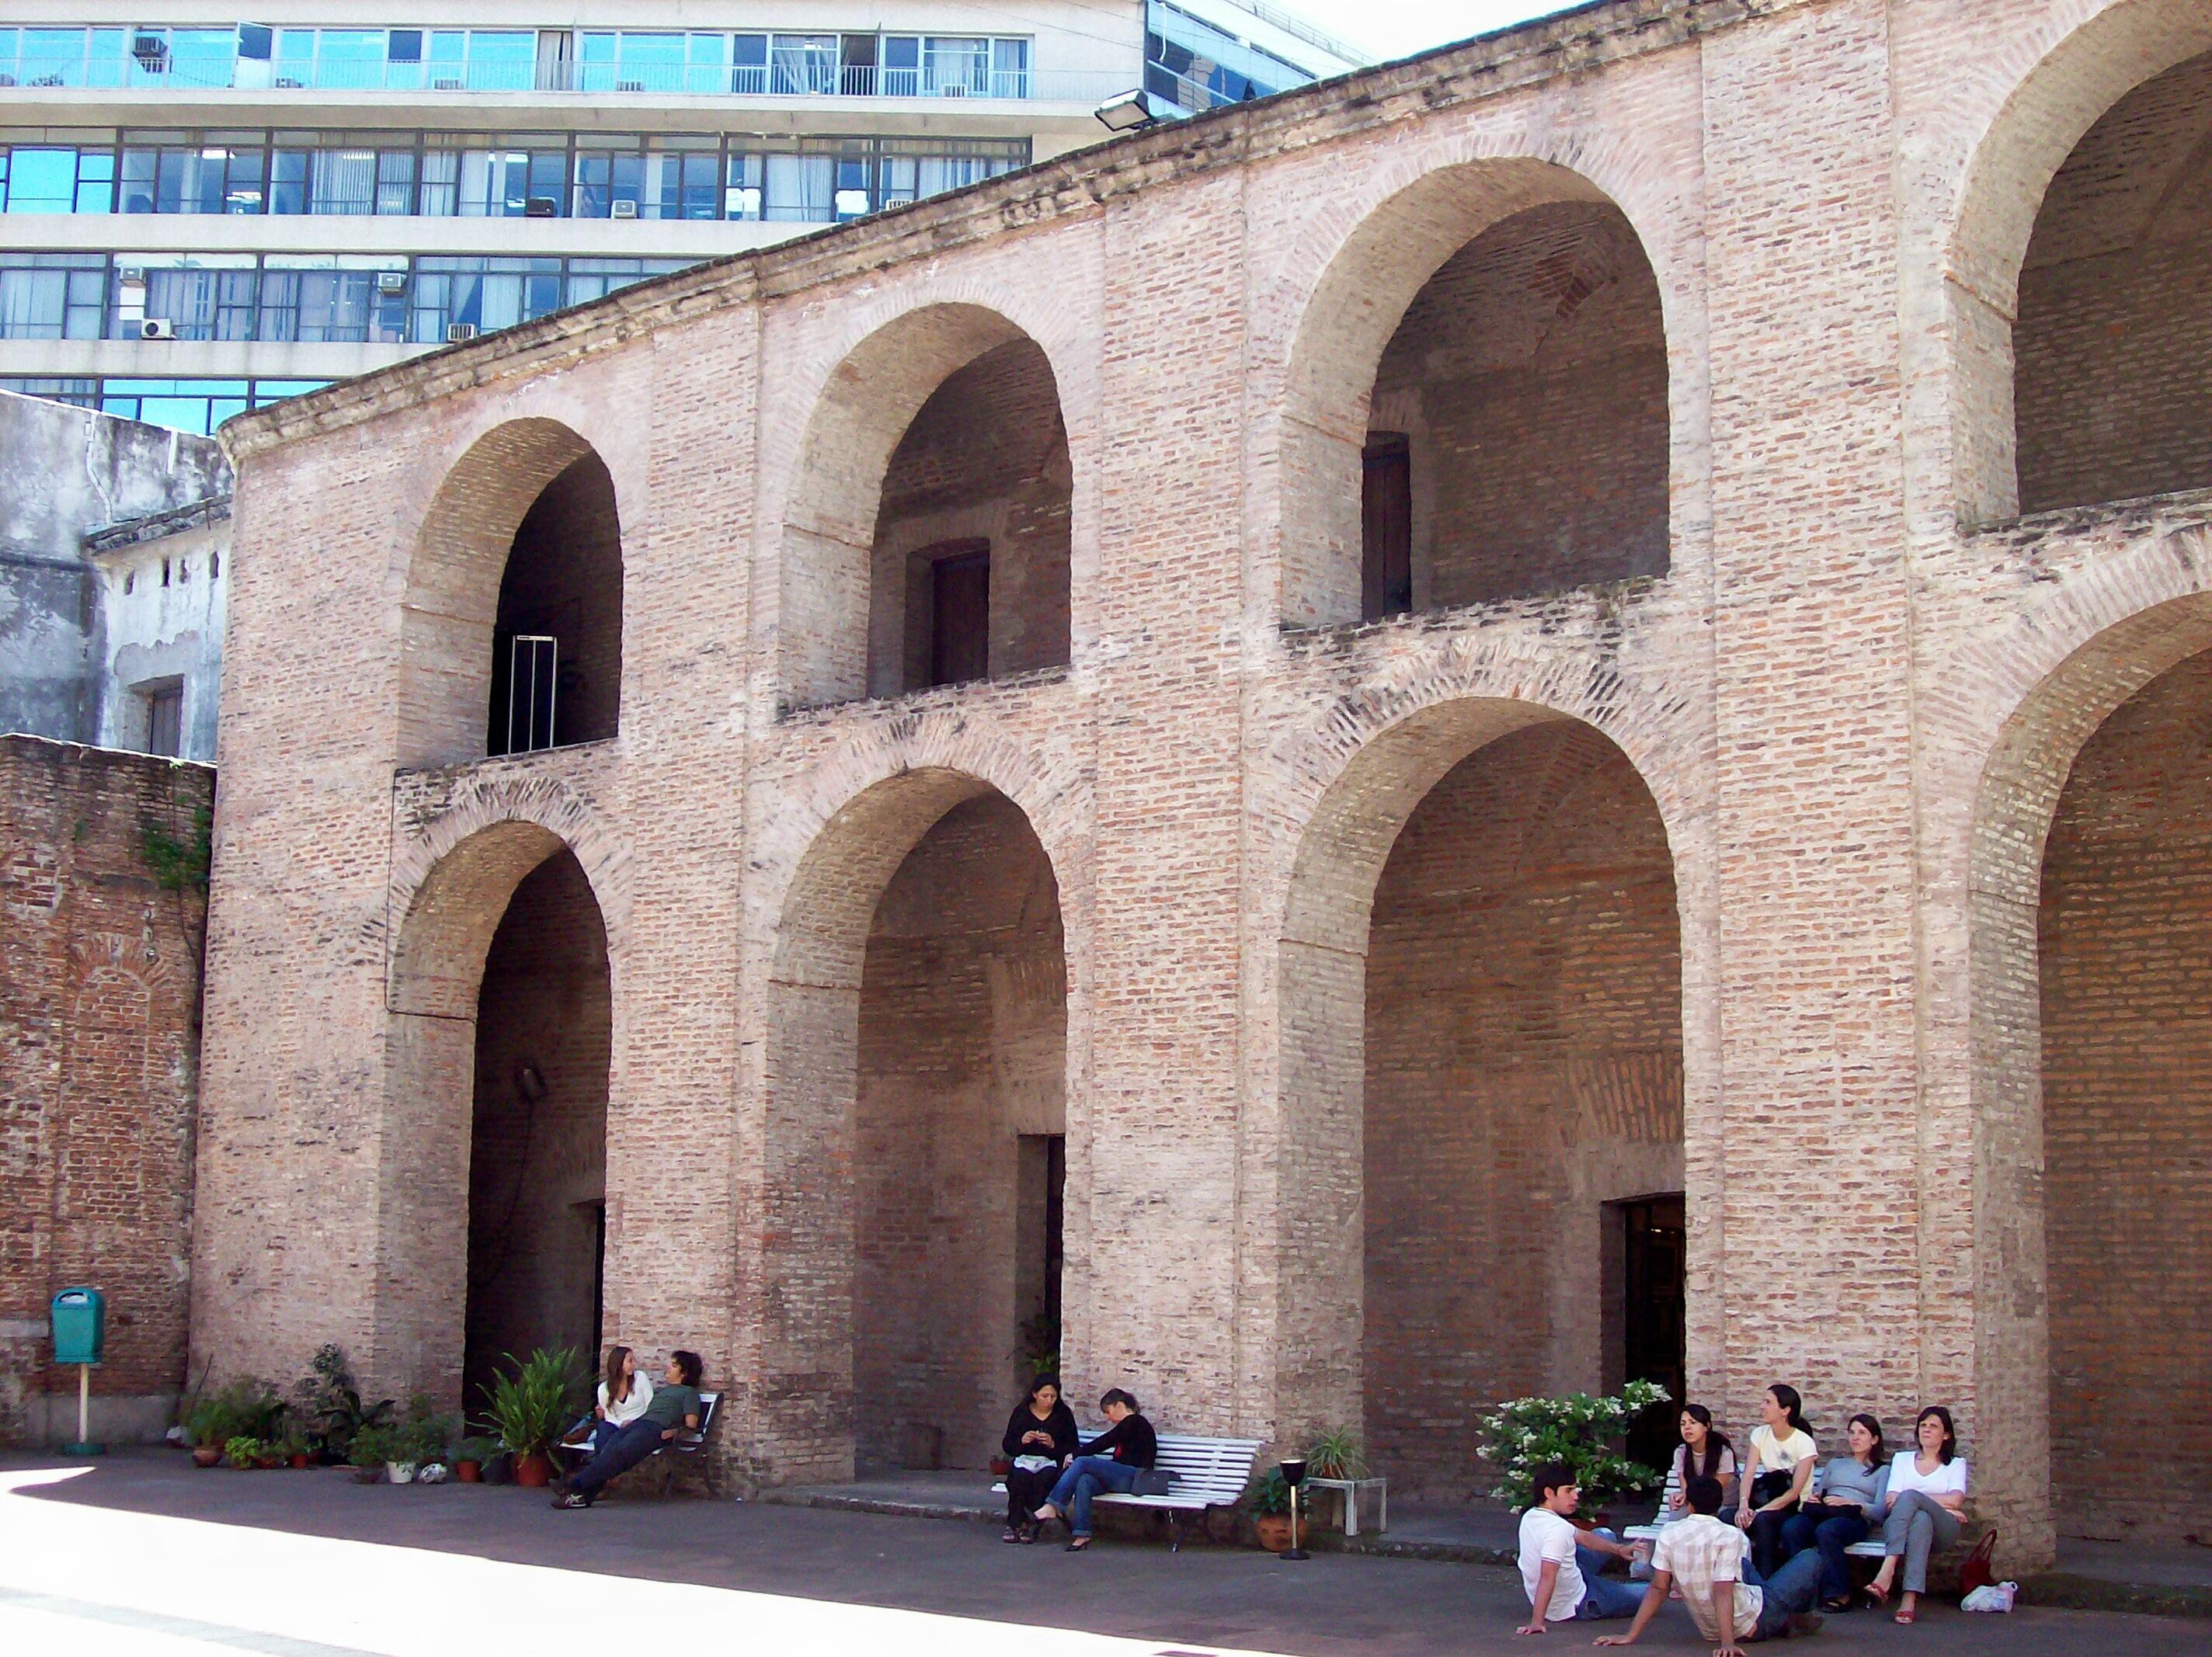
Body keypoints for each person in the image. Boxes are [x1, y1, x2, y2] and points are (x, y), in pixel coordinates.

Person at [1595, 1475, 1824, 1653]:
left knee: (1743, 1565)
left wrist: (1629, 1636)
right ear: (1719, 1505)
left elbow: (1658, 1587)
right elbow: (1722, 1590)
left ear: (1690, 1506)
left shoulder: (1670, 1533)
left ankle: (1786, 1616)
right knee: (1812, 1558)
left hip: (1711, 1628)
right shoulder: (1730, 1535)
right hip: (1752, 1622)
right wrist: (1728, 1644)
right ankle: (1796, 1616)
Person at [552, 1350, 702, 1509]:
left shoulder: (689, 1393)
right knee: (609, 1453)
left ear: (684, 1373)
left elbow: (691, 1426)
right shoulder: (664, 1391)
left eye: (673, 1366)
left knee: (620, 1453)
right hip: (639, 1424)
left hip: (655, 1429)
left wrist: (673, 1433)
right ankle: (582, 1498)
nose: (667, 1368)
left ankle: (572, 1485)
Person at [1511, 1461, 1643, 1634]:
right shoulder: (1557, 1530)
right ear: (1549, 1493)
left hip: (1568, 1580)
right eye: (1568, 1491)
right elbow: (1547, 1576)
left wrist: (1619, 1549)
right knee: (1647, 1593)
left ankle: (1598, 1579)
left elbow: (1582, 1536)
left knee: (1605, 1534)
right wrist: (1537, 1621)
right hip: (1578, 1601)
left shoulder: (1530, 1516)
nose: (1575, 1497)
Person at [1866, 1406, 1967, 1626]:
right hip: (1907, 1526)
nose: (1927, 1431)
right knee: (1921, 1520)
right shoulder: (1902, 1460)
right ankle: (1908, 1599)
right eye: (1923, 1426)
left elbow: (1956, 1499)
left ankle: (1888, 1568)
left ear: (1946, 1434)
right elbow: (1892, 1499)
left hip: (1944, 1529)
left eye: (1933, 1426)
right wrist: (1942, 1504)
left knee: (1910, 1497)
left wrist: (1916, 1498)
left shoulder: (1956, 1464)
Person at [1781, 1413, 1887, 1610]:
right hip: (1826, 1512)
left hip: (1855, 1517)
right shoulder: (1835, 1464)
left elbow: (1880, 1510)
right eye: (1852, 1432)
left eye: (1862, 1433)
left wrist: (1849, 1502)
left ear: (1874, 1439)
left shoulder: (1881, 1471)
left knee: (1827, 1531)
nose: (1855, 1437)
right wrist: (1815, 1498)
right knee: (1792, 1527)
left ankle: (1838, 1593)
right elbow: (1820, 1491)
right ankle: (1801, 1588)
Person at [1032, 1388, 1155, 1551]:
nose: (1108, 1417)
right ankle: (1082, 1533)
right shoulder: (1128, 1426)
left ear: (1119, 1405)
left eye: (1108, 1411)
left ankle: (1054, 1506)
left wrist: (1075, 1454)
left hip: (1136, 1476)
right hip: (1122, 1476)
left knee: (1083, 1462)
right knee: (1085, 1481)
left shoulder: (1135, 1421)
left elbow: (1105, 1441)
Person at [1736, 1384, 1817, 1578]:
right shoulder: (1760, 1434)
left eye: (1768, 1402)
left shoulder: (1804, 1443)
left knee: (1763, 1521)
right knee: (1728, 1518)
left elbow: (1794, 1492)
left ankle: (1765, 1582)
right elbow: (1748, 1474)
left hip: (1793, 1508)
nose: (1762, 1407)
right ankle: (1736, 1580)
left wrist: (1758, 1512)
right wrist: (1743, 1505)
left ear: (1785, 1410)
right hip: (1765, 1499)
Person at [999, 1372, 1079, 1544]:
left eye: (1053, 1396)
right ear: (1035, 1395)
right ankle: (1016, 1523)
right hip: (1024, 1460)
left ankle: (1030, 1521)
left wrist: (1053, 1445)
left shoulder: (1063, 1415)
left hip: (1049, 1462)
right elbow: (1008, 1445)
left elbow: (1073, 1446)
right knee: (1019, 1478)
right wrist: (1022, 1440)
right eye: (1044, 1396)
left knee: (1044, 1479)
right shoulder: (1021, 1413)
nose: (1049, 1401)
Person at [1662, 1405, 1740, 1520]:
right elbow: (1686, 1489)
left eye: (1693, 1423)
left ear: (1706, 1426)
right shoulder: (1681, 1452)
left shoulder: (1724, 1453)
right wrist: (1680, 1497)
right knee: (1676, 1515)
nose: (1687, 1428)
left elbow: (1714, 1491)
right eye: (1683, 1424)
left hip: (1723, 1505)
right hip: (1696, 1504)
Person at [586, 1343, 654, 1454]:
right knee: (604, 1428)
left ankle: (605, 1464)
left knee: (624, 1438)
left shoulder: (641, 1378)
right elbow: (609, 1416)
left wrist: (633, 1422)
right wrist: (621, 1424)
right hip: (617, 1427)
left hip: (639, 1424)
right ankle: (603, 1463)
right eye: (630, 1361)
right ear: (618, 1363)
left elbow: (651, 1406)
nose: (634, 1364)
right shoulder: (604, 1389)